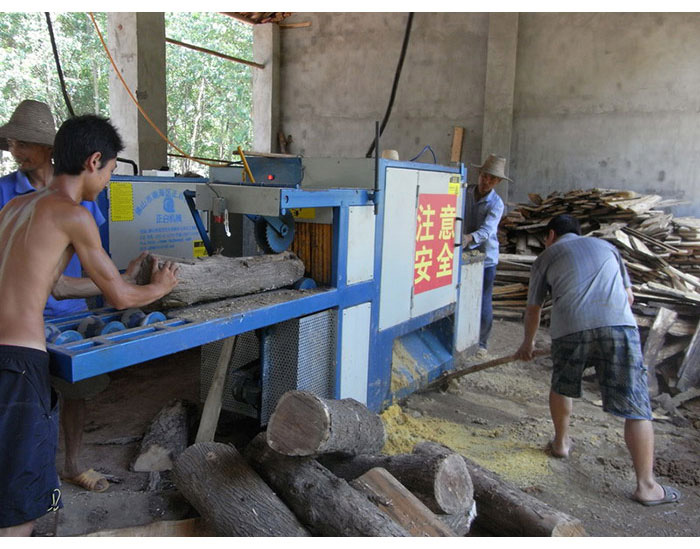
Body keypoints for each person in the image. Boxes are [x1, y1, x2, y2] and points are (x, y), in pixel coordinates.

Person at [0, 114, 179, 536]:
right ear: (94, 161)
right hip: (17, 363)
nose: (109, 181)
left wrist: (120, 274)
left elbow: (56, 285)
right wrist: (158, 287)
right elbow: (119, 299)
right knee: (20, 507)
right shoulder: (73, 214)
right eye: (113, 171)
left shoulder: (15, 207)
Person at [514, 214, 681, 506]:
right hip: (617, 324)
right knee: (636, 404)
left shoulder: (545, 257)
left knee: (563, 384)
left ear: (551, 235)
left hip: (570, 328)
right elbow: (628, 297)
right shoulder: (607, 248)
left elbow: (533, 309)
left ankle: (561, 443)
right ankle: (646, 486)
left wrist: (527, 345)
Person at [0, 100, 116, 493]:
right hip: (22, 325)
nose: (14, 151)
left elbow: (92, 263)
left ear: (50, 149)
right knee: (25, 409)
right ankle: (32, 482)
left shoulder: (82, 198)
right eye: (12, 143)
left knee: (75, 391)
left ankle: (72, 463)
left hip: (68, 310)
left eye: (22, 143)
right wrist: (132, 289)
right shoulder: (6, 194)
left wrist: (102, 286)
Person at [464, 153, 511, 359]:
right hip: (462, 255)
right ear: (479, 174)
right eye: (484, 176)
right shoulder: (464, 192)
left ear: (498, 182)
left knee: (483, 299)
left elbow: (488, 231)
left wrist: (468, 238)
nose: (486, 181)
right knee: (462, 297)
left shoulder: (496, 204)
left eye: (492, 179)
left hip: (486, 258)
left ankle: (482, 343)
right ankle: (462, 338)